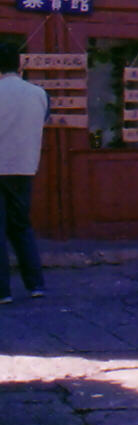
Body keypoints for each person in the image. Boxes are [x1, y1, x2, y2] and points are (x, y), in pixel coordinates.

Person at [0, 43, 49, 305]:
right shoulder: (38, 93)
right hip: (24, 167)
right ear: (19, 66)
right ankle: (36, 284)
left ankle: (2, 292)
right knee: (21, 226)